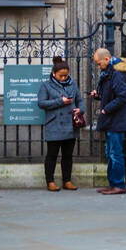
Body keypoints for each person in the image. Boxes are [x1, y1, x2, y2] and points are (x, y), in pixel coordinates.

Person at [39, 55, 86, 191]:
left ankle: (67, 180)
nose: (63, 78)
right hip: (54, 125)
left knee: (68, 155)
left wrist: (81, 109)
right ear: (54, 73)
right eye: (61, 76)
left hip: (70, 124)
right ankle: (50, 181)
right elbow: (41, 103)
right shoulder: (46, 85)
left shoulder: (73, 84)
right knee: (52, 155)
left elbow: (80, 100)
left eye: (66, 75)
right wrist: (60, 101)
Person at [91, 47, 126, 195]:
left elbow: (123, 97)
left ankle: (119, 185)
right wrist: (97, 95)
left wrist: (106, 109)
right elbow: (111, 93)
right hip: (112, 120)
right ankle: (113, 184)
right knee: (110, 153)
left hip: (116, 120)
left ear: (107, 59)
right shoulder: (109, 71)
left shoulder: (117, 73)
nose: (98, 66)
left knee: (115, 154)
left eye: (98, 63)